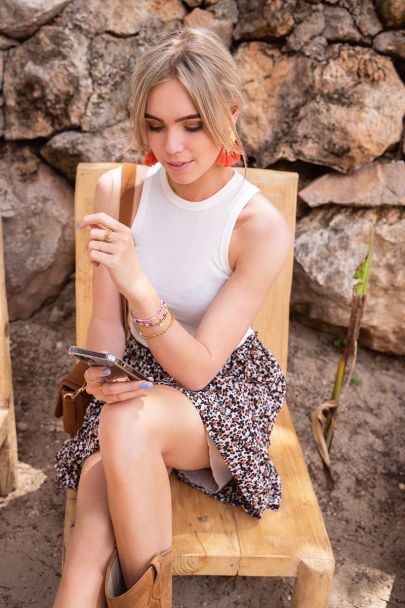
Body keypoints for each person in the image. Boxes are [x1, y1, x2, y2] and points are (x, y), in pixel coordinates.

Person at [52, 25, 293, 608]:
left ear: (228, 113)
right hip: (138, 374)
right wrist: (99, 374)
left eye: (192, 124)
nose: (173, 147)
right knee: (91, 533)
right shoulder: (124, 191)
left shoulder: (256, 227)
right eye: (156, 126)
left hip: (218, 384)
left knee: (127, 426)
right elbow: (107, 327)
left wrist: (137, 281)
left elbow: (199, 370)